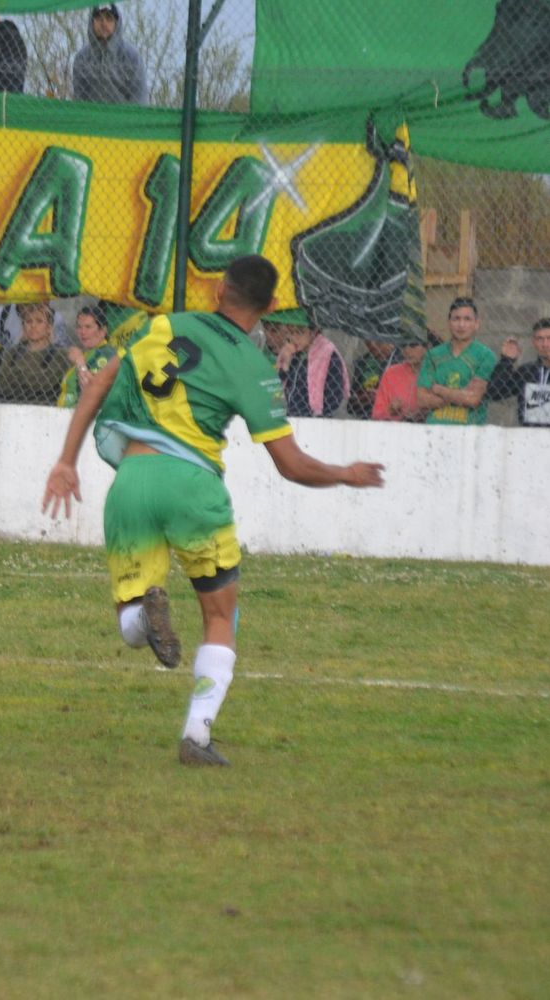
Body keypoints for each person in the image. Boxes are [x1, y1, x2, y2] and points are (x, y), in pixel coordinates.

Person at [41, 255, 384, 767]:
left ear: (219, 290)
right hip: (192, 484)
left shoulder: (164, 325)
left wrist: (66, 461)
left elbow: (97, 384)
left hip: (131, 480)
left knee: (130, 617)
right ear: (269, 306)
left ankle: (143, 612)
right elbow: (290, 464)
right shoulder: (254, 366)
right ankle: (196, 736)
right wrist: (345, 474)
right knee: (220, 614)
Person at [416, 297, 498, 425]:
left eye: (467, 319)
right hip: (434, 430)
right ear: (449, 322)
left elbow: (473, 399)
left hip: (469, 432)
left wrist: (438, 390)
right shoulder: (433, 355)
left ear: (477, 324)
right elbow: (421, 399)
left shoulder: (485, 356)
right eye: (456, 319)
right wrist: (460, 396)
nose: (461, 325)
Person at [0, 302, 72, 404]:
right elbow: (1, 384)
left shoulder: (60, 355)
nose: (33, 326)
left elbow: (46, 384)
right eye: (28, 321)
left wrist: (17, 376)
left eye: (39, 321)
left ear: (48, 328)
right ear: (23, 326)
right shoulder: (12, 354)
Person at [72, 4, 148, 105]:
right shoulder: (82, 57)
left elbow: (139, 97)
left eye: (109, 18)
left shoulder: (131, 57)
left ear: (116, 23)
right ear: (92, 22)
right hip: (91, 118)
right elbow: (79, 98)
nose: (104, 23)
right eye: (99, 18)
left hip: (123, 117)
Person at [486, 318, 550, 427]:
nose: (545, 344)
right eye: (540, 339)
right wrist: (506, 360)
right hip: (529, 436)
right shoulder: (527, 371)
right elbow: (493, 393)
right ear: (533, 342)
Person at [275, 325, 349, 417]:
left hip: (316, 418)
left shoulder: (328, 355)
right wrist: (285, 365)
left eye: (299, 332)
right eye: (290, 332)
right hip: (291, 415)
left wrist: (316, 416)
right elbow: (278, 385)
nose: (294, 338)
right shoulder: (293, 353)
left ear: (313, 332)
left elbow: (335, 396)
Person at [58, 305, 118, 407]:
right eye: (79, 327)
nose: (82, 332)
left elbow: (91, 388)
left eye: (88, 327)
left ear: (102, 331)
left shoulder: (107, 354)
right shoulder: (88, 353)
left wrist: (80, 362)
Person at [371, 334, 429, 422]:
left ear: (426, 347)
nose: (407, 350)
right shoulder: (391, 373)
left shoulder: (437, 372)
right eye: (403, 345)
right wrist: (391, 410)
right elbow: (376, 415)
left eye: (413, 345)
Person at [347, 339, 396, 418]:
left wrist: (380, 395)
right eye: (367, 340)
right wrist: (362, 398)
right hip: (365, 416)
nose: (372, 344)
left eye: (378, 341)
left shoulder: (400, 362)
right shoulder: (362, 363)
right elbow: (350, 406)